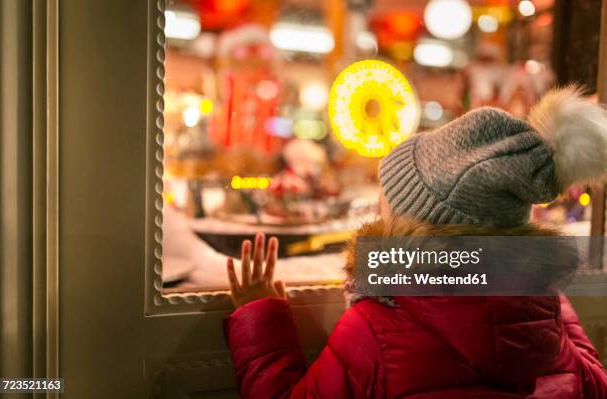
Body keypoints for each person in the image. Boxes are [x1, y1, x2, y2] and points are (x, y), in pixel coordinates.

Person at [223, 87, 607, 398]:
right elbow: (592, 381)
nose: (379, 205)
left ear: (417, 223)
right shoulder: (545, 332)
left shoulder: (377, 327)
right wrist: (541, 287)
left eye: (389, 197)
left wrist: (261, 316)